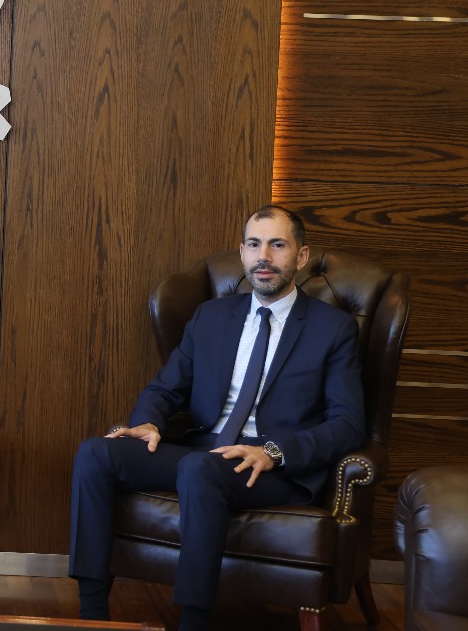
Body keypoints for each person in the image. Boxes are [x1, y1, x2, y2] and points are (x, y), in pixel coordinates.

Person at [68, 205, 364, 630]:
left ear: (301, 256)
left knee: (199, 469)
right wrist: (149, 421)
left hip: (269, 466)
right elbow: (165, 388)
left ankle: (193, 621)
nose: (264, 256)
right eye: (254, 245)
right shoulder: (211, 316)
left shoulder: (332, 329)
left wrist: (274, 452)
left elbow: (347, 424)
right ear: (242, 253)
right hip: (204, 451)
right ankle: (92, 615)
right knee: (96, 453)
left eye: (278, 245)